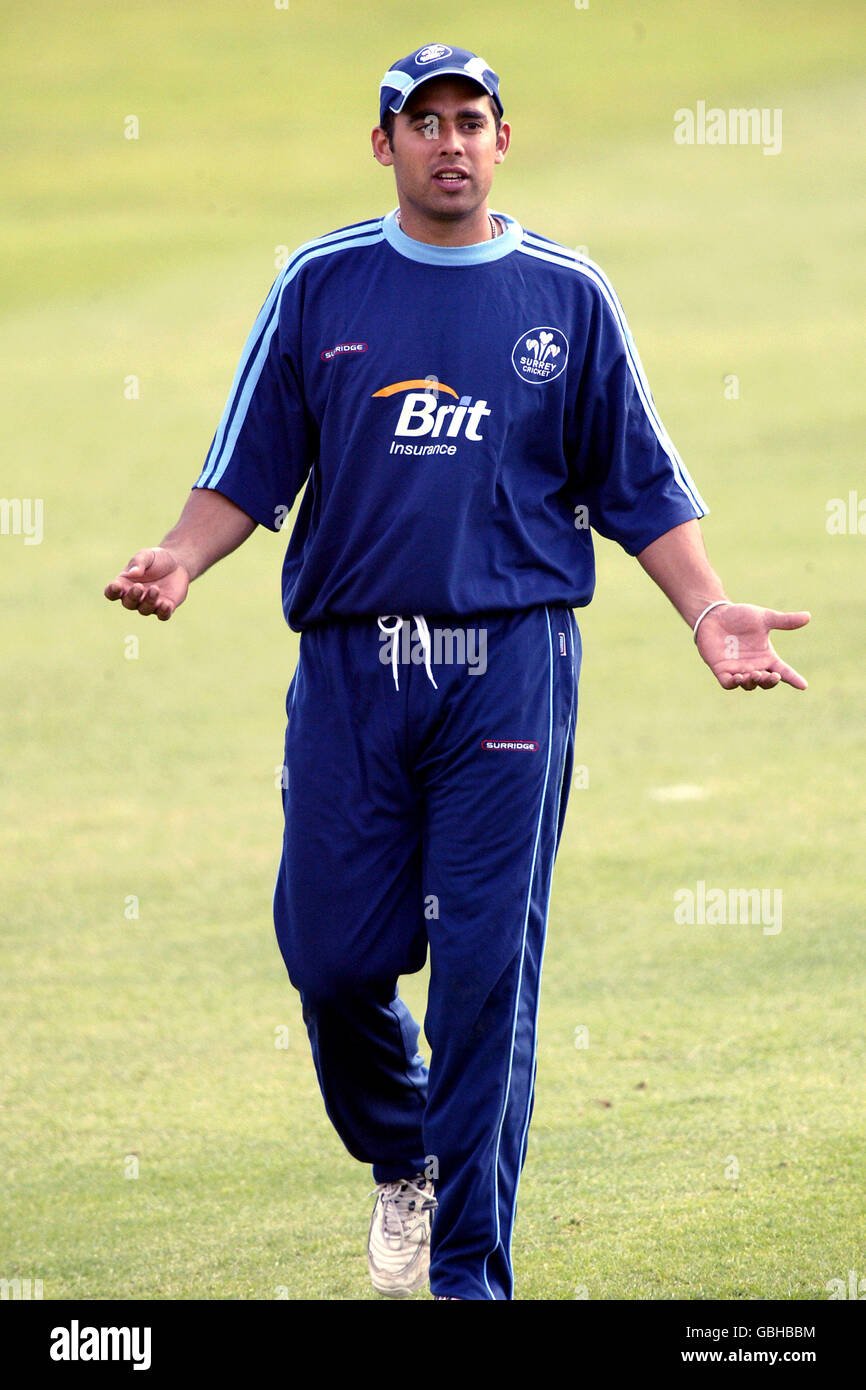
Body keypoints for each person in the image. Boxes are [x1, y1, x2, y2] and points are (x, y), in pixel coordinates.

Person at [104, 43, 809, 1301]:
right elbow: (248, 469)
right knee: (328, 959)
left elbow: (635, 484)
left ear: (501, 138)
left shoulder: (566, 295)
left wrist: (705, 609)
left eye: (468, 120)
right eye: (419, 122)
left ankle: (468, 1275)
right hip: (350, 674)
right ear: (382, 145)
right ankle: (402, 1150)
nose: (446, 141)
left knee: (484, 977)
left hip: (508, 670)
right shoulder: (322, 285)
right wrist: (180, 555)